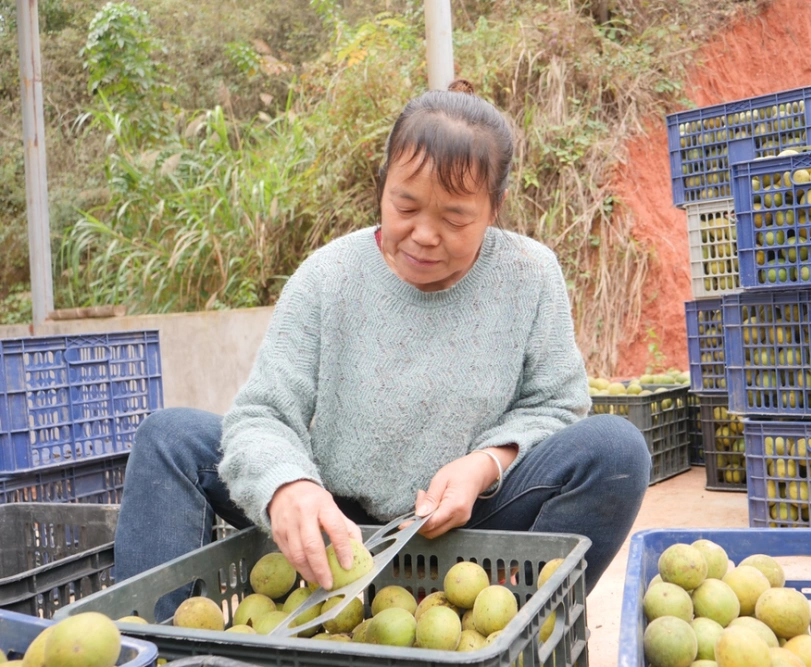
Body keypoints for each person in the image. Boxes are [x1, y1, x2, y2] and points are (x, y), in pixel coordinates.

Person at [113, 79, 651, 621]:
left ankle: (502, 635)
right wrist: (288, 484)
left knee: (616, 451)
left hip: (469, 523)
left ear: (494, 208)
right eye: (406, 205)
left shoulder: (530, 274)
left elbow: (556, 405)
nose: (423, 235)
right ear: (382, 187)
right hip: (338, 528)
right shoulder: (329, 275)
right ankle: (153, 646)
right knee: (170, 437)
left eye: (455, 218)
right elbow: (263, 414)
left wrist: (487, 463)